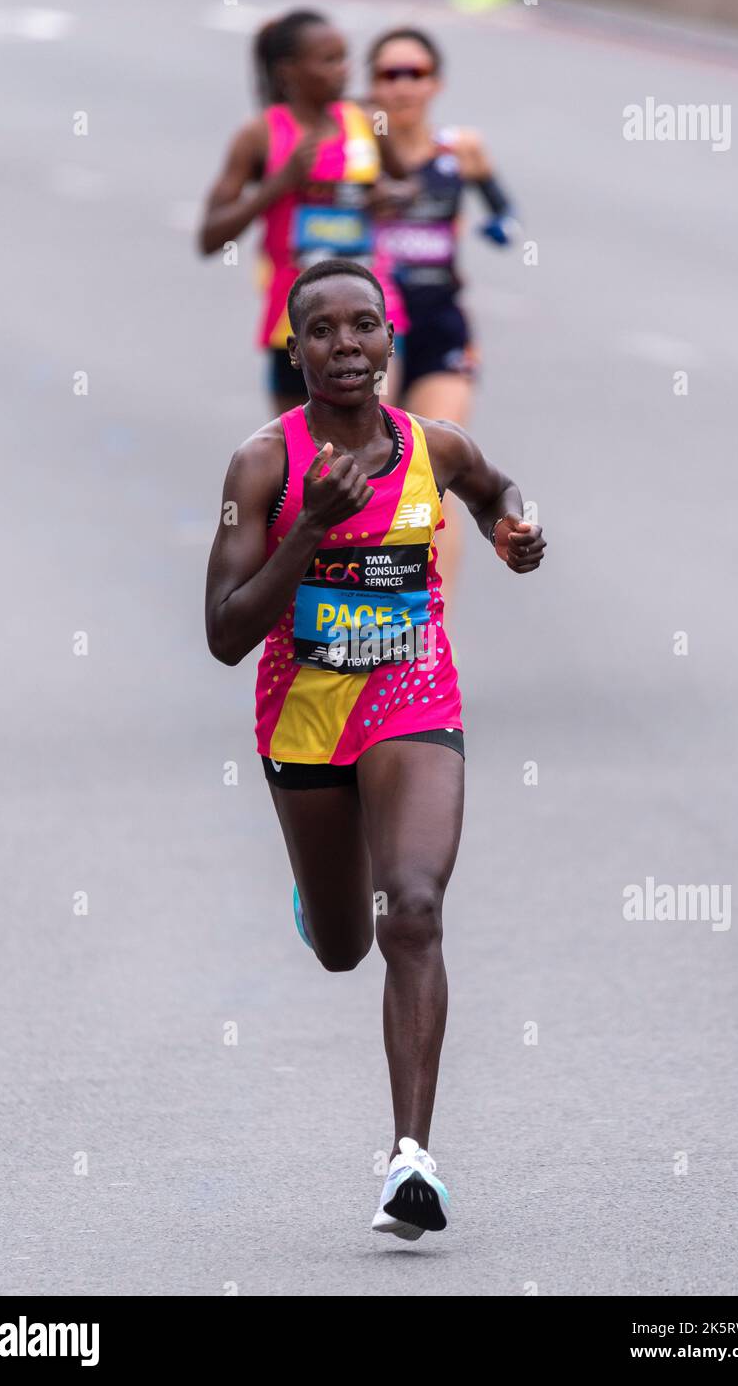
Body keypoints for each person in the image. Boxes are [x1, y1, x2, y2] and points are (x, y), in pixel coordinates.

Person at [205, 259, 546, 1238]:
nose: (346, 346)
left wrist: (515, 530)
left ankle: (411, 1160)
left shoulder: (433, 446)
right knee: (348, 946)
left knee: (418, 908)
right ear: (295, 346)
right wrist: (310, 524)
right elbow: (226, 633)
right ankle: (327, 895)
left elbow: (496, 488)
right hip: (306, 716)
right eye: (323, 331)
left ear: (391, 343)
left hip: (412, 695)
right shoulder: (261, 466)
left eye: (365, 327)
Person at [365, 27, 518, 621]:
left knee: (435, 473)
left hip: (442, 328)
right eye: (390, 74)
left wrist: (502, 227)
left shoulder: (462, 150)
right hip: (370, 335)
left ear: (436, 83)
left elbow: (505, 209)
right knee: (370, 474)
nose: (403, 85)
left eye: (416, 73)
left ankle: (434, 634)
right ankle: (364, 613)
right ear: (372, 83)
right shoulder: (354, 151)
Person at [197, 8, 412, 415]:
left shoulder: (368, 121)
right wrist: (280, 184)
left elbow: (409, 183)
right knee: (304, 465)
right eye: (329, 60)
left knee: (375, 437)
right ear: (288, 71)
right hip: (296, 324)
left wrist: (392, 195)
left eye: (345, 57)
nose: (344, 70)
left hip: (371, 307)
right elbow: (210, 237)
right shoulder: (260, 134)